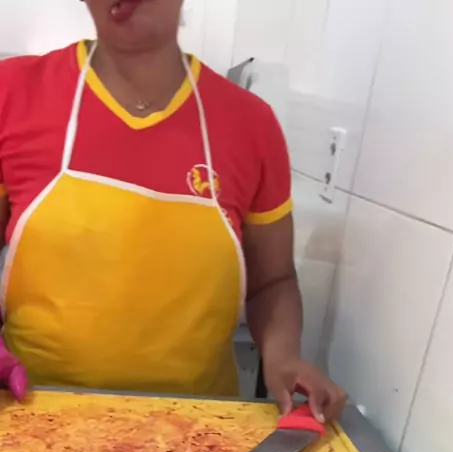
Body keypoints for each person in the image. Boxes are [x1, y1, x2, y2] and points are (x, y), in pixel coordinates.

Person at [0, 0, 346, 420]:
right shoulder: (13, 93)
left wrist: (283, 355)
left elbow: (272, 281)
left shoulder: (251, 123)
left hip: (197, 427)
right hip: (30, 414)